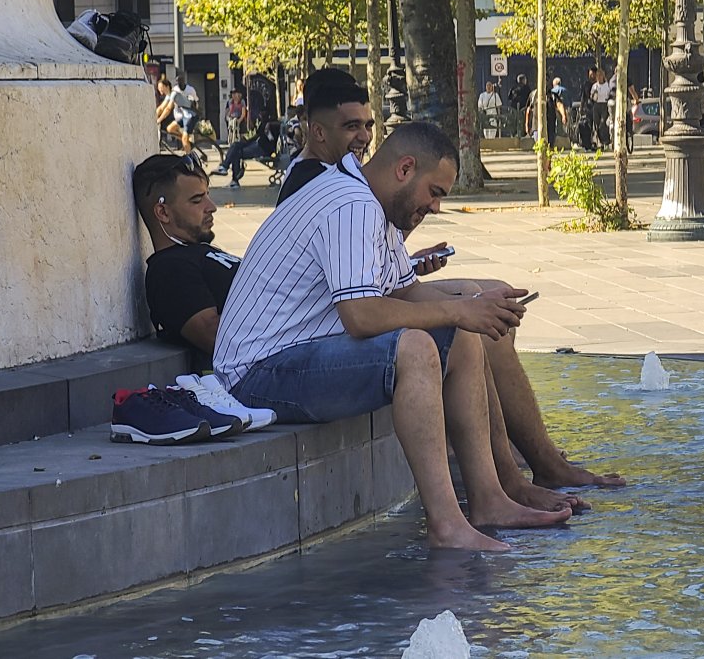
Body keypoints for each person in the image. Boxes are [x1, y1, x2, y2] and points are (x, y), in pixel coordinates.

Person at [213, 122, 573, 551]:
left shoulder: (370, 202)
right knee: (417, 347)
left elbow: (406, 292)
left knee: (458, 334)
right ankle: (446, 525)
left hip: (294, 355)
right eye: (435, 192)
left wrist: (475, 302)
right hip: (256, 374)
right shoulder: (351, 206)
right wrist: (459, 307)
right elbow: (362, 316)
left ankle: (491, 499)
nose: (436, 208)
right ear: (405, 169)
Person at [280, 69, 620, 507]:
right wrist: (459, 310)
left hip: (335, 317)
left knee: (485, 301)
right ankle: (508, 471)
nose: (362, 137)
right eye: (351, 127)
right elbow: (352, 300)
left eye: (367, 125)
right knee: (464, 324)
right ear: (317, 131)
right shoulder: (326, 187)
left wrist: (448, 288)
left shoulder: (355, 184)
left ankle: (515, 465)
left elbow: (362, 265)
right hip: (311, 338)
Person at [131, 154, 236, 367]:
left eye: (207, 195)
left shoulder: (198, 253)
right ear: (163, 212)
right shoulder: (169, 269)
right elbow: (217, 338)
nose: (211, 207)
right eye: (197, 200)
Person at [211, 119, 282, 188]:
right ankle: (226, 170)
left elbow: (269, 140)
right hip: (257, 144)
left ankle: (229, 173)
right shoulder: (264, 122)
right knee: (235, 145)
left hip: (263, 149)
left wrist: (269, 127)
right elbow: (257, 135)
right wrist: (246, 142)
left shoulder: (272, 124)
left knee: (236, 153)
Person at [525, 82, 567, 147]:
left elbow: (559, 104)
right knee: (540, 145)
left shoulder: (552, 95)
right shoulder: (533, 95)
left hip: (550, 125)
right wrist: (527, 124)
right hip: (536, 126)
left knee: (550, 145)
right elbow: (529, 110)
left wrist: (563, 115)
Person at [171, 74, 201, 155]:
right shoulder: (175, 90)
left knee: (184, 139)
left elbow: (196, 101)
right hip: (181, 115)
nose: (179, 84)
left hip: (189, 116)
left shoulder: (190, 90)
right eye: (177, 82)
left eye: (181, 81)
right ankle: (186, 141)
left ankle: (189, 157)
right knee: (170, 129)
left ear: (184, 81)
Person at [589, 69, 612, 149]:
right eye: (597, 76)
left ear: (603, 76)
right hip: (596, 105)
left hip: (604, 105)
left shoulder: (607, 85)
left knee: (603, 123)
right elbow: (591, 97)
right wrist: (593, 95)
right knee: (597, 124)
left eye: (600, 75)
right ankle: (599, 142)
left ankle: (606, 140)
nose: (598, 77)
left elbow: (610, 95)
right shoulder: (594, 86)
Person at [577, 66, 597, 150]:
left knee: (597, 125)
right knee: (588, 125)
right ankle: (588, 142)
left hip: (597, 106)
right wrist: (581, 108)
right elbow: (583, 97)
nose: (591, 76)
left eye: (592, 74)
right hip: (588, 107)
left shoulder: (598, 84)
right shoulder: (586, 84)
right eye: (590, 74)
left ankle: (596, 142)